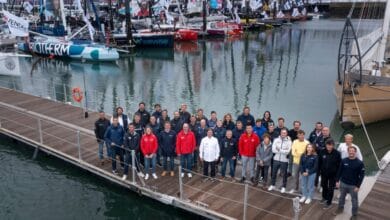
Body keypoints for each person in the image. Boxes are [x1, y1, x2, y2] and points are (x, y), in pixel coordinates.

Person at [334, 146, 365, 219]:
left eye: (353, 151)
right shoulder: (344, 160)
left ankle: (354, 215)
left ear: (355, 152)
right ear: (348, 152)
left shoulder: (360, 163)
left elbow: (362, 176)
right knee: (341, 198)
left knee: (354, 201)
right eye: (350, 151)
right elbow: (339, 171)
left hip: (353, 186)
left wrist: (358, 186)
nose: (351, 152)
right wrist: (337, 181)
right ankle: (340, 208)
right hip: (343, 183)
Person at [318, 139, 341, 209]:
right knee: (324, 186)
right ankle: (324, 197)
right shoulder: (322, 152)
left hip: (333, 174)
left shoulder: (337, 153)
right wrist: (318, 172)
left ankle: (329, 202)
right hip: (324, 173)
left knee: (331, 189)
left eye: (330, 145)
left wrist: (338, 177)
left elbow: (339, 165)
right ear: (326, 145)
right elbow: (319, 162)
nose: (329, 146)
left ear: (333, 145)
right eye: (327, 145)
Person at [268, 129, 292, 193]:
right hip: (276, 159)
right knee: (274, 173)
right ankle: (272, 185)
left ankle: (283, 187)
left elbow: (287, 152)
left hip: (284, 160)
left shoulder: (289, 142)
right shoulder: (276, 140)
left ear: (286, 134)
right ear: (280, 133)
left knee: (284, 175)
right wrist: (283, 150)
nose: (283, 134)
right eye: (282, 133)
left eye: (284, 133)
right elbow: (273, 150)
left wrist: (279, 149)